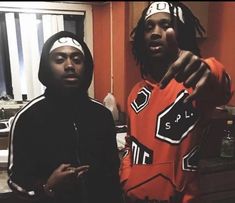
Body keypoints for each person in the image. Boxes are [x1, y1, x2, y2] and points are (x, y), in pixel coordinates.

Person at [119, 2, 232, 203]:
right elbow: (130, 143)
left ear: (182, 35)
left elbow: (222, 88)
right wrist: (127, 178)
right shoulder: (136, 93)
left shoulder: (196, 85)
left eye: (166, 25)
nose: (155, 32)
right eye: (149, 27)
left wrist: (208, 68)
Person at [7, 31, 123, 203]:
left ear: (86, 67)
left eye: (77, 59)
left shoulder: (102, 115)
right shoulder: (28, 118)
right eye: (60, 59)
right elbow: (16, 181)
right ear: (47, 66)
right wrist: (47, 187)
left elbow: (113, 173)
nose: (70, 65)